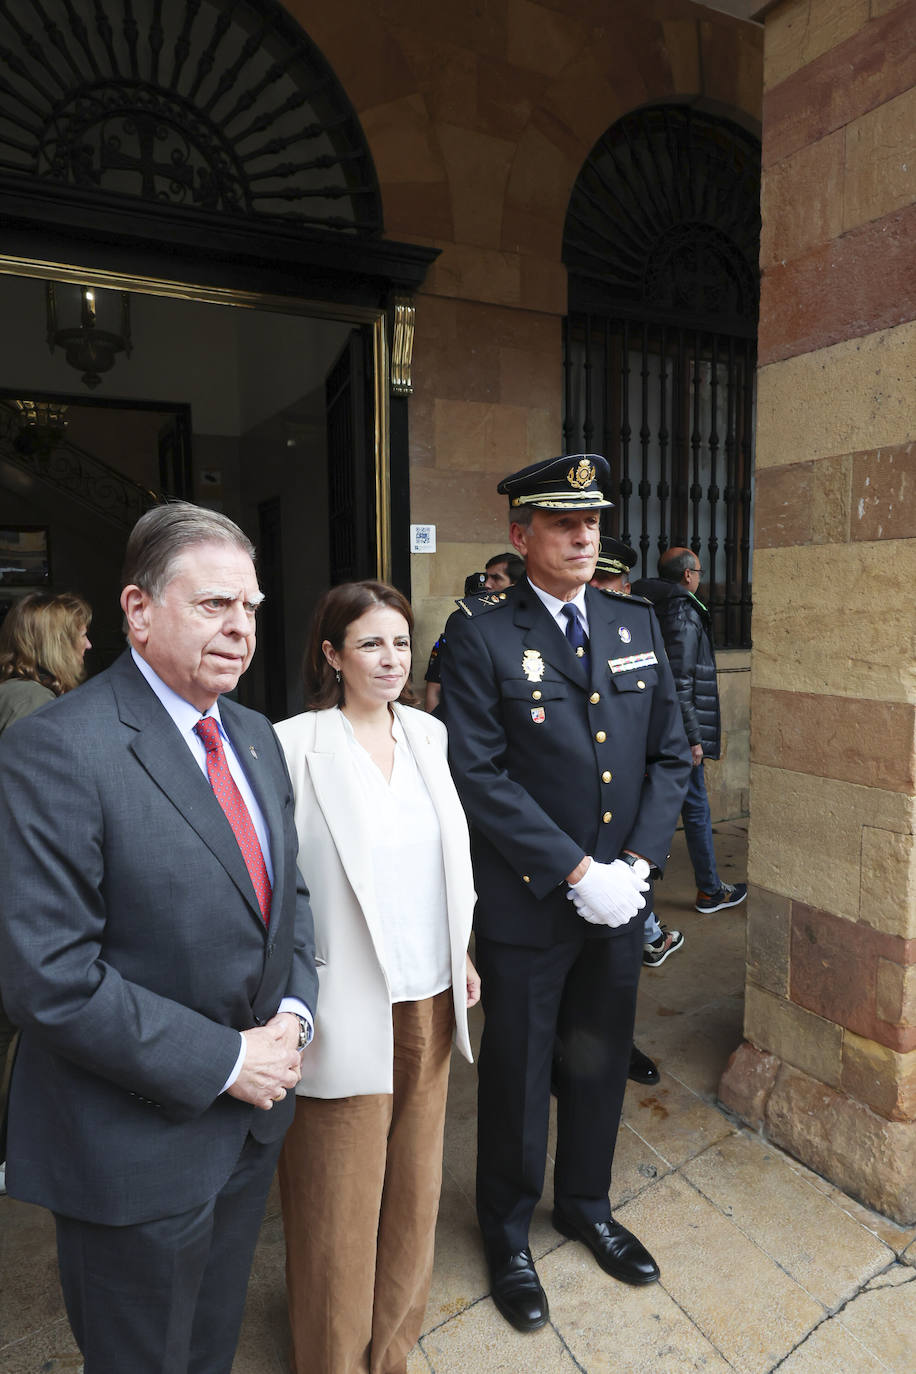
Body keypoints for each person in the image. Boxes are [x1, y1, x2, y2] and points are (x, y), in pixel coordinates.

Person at [0, 502, 318, 1374]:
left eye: (250, 608)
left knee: (209, 1348)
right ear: (139, 611)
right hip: (132, 1151)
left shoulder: (254, 736)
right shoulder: (55, 748)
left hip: (248, 1135)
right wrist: (227, 1060)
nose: (241, 628)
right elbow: (48, 978)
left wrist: (295, 1013)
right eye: (215, 604)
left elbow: (286, 897)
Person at [439, 453, 691, 1332]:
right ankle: (506, 1231)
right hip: (530, 902)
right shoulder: (480, 637)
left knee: (596, 1058)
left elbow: (670, 751)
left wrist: (637, 871)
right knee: (516, 1071)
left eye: (591, 522)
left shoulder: (634, 622)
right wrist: (577, 871)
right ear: (521, 535)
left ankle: (585, 1204)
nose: (586, 535)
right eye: (562, 523)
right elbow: (478, 771)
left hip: (619, 900)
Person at [275, 580, 480, 1374]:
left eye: (400, 642)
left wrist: (459, 951)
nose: (390, 659)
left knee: (414, 1190)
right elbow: (278, 888)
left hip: (428, 994)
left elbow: (443, 866)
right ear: (332, 655)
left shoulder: (429, 735)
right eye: (370, 643)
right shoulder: (293, 744)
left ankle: (392, 1352)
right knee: (336, 1200)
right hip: (343, 1003)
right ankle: (332, 1361)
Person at [0, 589, 93, 1195]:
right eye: (80, 634)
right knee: (18, 1029)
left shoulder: (17, 695)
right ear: (55, 642)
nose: (89, 645)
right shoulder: (33, 707)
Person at [631, 548, 748, 915]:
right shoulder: (682, 609)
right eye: (698, 570)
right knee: (694, 807)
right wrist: (693, 737)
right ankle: (710, 890)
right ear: (687, 575)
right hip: (676, 730)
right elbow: (680, 680)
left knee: (650, 808)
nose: (699, 576)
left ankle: (640, 902)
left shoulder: (650, 602)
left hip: (651, 724)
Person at [589, 541, 686, 973]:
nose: (595, 587)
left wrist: (639, 857)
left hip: (626, 854)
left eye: (606, 580)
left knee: (610, 1013)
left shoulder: (638, 622)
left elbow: (670, 747)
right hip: (551, 870)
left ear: (625, 585)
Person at [424, 551, 525, 711]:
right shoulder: (466, 630)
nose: (487, 584)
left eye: (496, 578)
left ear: (516, 585)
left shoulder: (534, 629)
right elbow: (435, 688)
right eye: (487, 577)